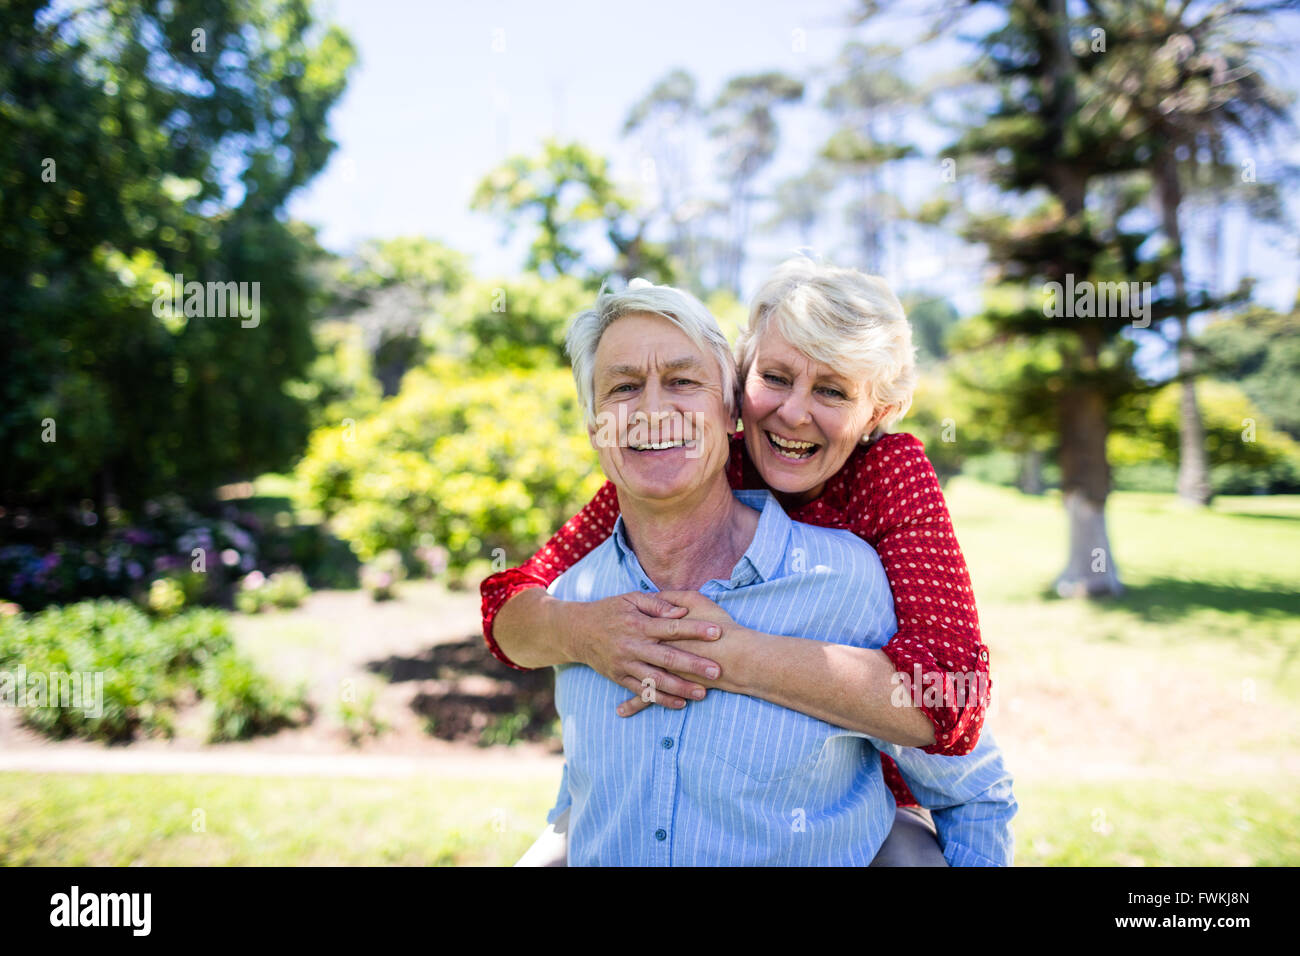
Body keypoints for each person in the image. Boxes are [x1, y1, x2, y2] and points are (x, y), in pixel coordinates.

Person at [484, 260, 992, 862]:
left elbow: (951, 697)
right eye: (775, 378)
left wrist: (722, 652)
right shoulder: (688, 456)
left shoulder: (887, 480)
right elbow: (513, 599)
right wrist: (586, 631)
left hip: (868, 782)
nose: (794, 413)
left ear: (876, 415)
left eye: (831, 391)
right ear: (740, 388)